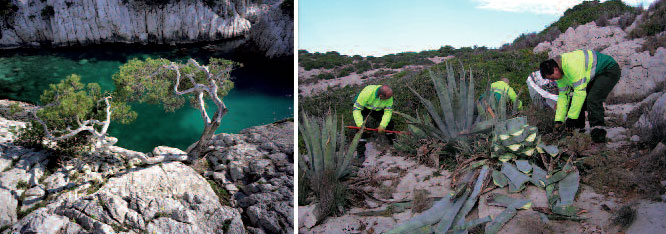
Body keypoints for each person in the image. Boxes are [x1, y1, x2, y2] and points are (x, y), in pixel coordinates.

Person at [539, 49, 621, 143]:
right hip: (595, 76)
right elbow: (563, 97)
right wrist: (559, 120)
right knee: (574, 99)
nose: (553, 81)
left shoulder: (571, 65)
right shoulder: (560, 75)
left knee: (593, 99)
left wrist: (572, 118)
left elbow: (579, 93)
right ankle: (579, 131)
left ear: (555, 69)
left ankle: (598, 136)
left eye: (552, 78)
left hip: (608, 69)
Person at [352, 85, 394, 159]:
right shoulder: (367, 93)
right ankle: (360, 154)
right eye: (386, 98)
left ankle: (392, 142)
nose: (389, 99)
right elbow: (356, 109)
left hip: (377, 108)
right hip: (363, 107)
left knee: (390, 123)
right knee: (362, 130)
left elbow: (388, 112)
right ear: (381, 96)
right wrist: (360, 124)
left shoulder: (389, 97)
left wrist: (383, 125)